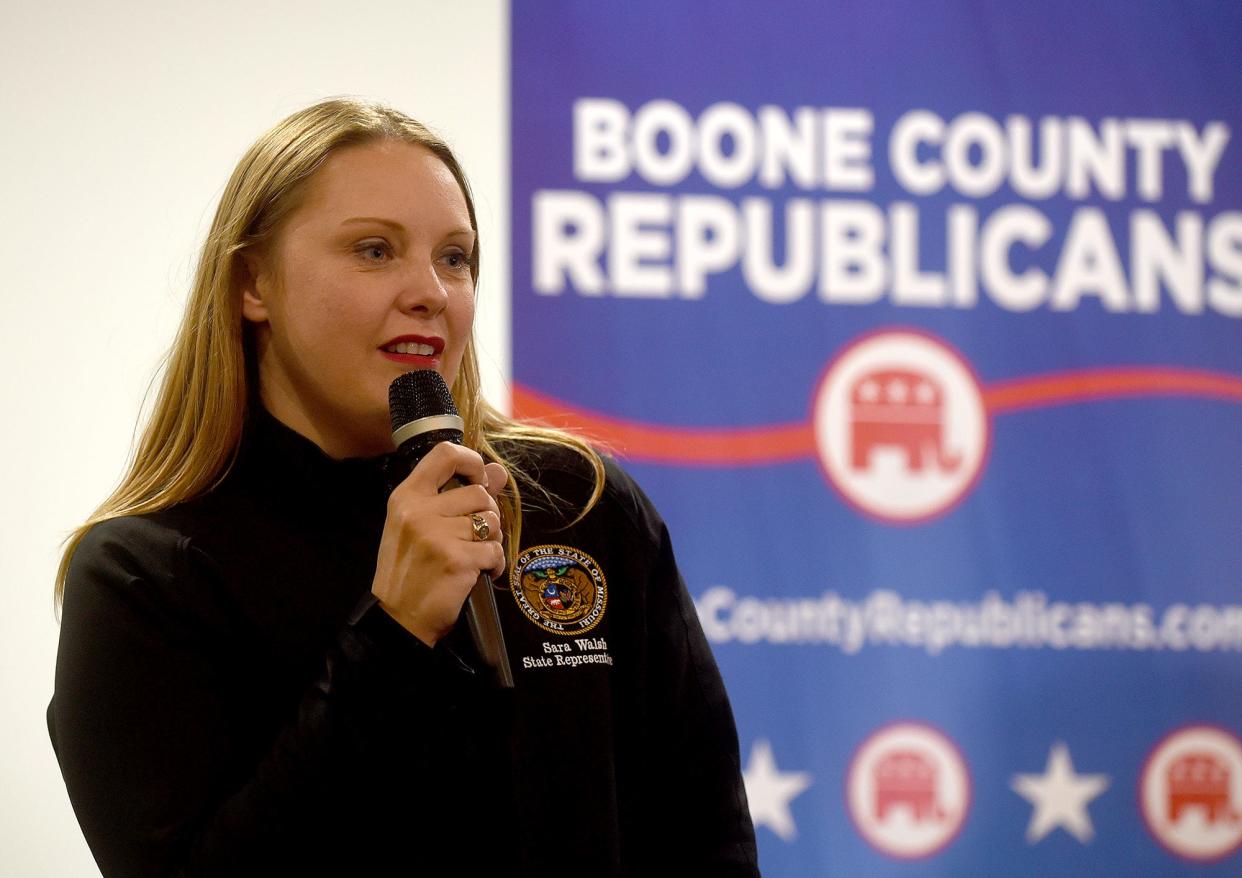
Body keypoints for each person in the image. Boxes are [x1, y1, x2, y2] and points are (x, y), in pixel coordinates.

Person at [48, 97, 759, 877]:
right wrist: (390, 639)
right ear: (254, 284)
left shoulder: (581, 504)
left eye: (455, 257)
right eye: (375, 250)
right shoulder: (148, 575)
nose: (431, 290)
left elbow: (707, 835)